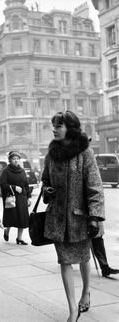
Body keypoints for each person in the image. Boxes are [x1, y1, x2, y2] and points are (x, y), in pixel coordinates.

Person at [41, 110, 105, 322]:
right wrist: (47, 189)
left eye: (58, 126)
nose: (54, 129)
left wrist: (95, 216)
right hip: (58, 219)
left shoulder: (85, 152)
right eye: (54, 126)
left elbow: (95, 186)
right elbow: (45, 179)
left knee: (84, 257)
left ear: (70, 128)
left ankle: (86, 292)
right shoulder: (51, 153)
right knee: (65, 261)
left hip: (80, 218)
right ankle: (71, 309)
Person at [0, 151, 31, 244]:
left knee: (22, 218)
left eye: (17, 159)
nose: (16, 160)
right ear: (10, 160)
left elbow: (26, 184)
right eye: (14, 159)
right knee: (11, 217)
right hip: (11, 197)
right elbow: (3, 184)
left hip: (22, 197)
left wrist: (29, 197)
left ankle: (19, 238)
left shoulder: (22, 171)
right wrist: (14, 188)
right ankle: (7, 231)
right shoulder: (6, 171)